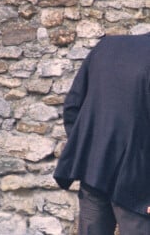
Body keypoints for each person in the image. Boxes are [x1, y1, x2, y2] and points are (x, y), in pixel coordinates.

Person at [53, 34, 150, 235]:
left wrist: (89, 151)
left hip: (94, 170)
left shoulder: (106, 47)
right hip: (139, 184)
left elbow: (72, 107)